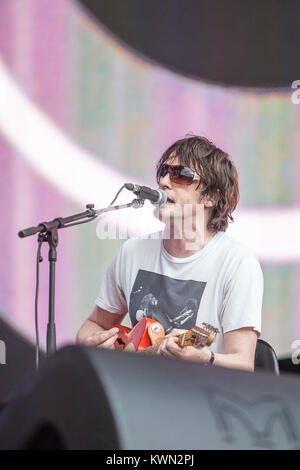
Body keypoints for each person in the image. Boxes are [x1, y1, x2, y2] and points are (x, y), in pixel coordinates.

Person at [76, 135, 263, 371]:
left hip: (199, 399)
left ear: (210, 197)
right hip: (138, 394)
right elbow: (93, 324)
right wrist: (92, 345)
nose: (164, 181)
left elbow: (244, 364)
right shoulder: (132, 252)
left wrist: (206, 358)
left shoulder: (237, 263)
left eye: (180, 174)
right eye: (163, 171)